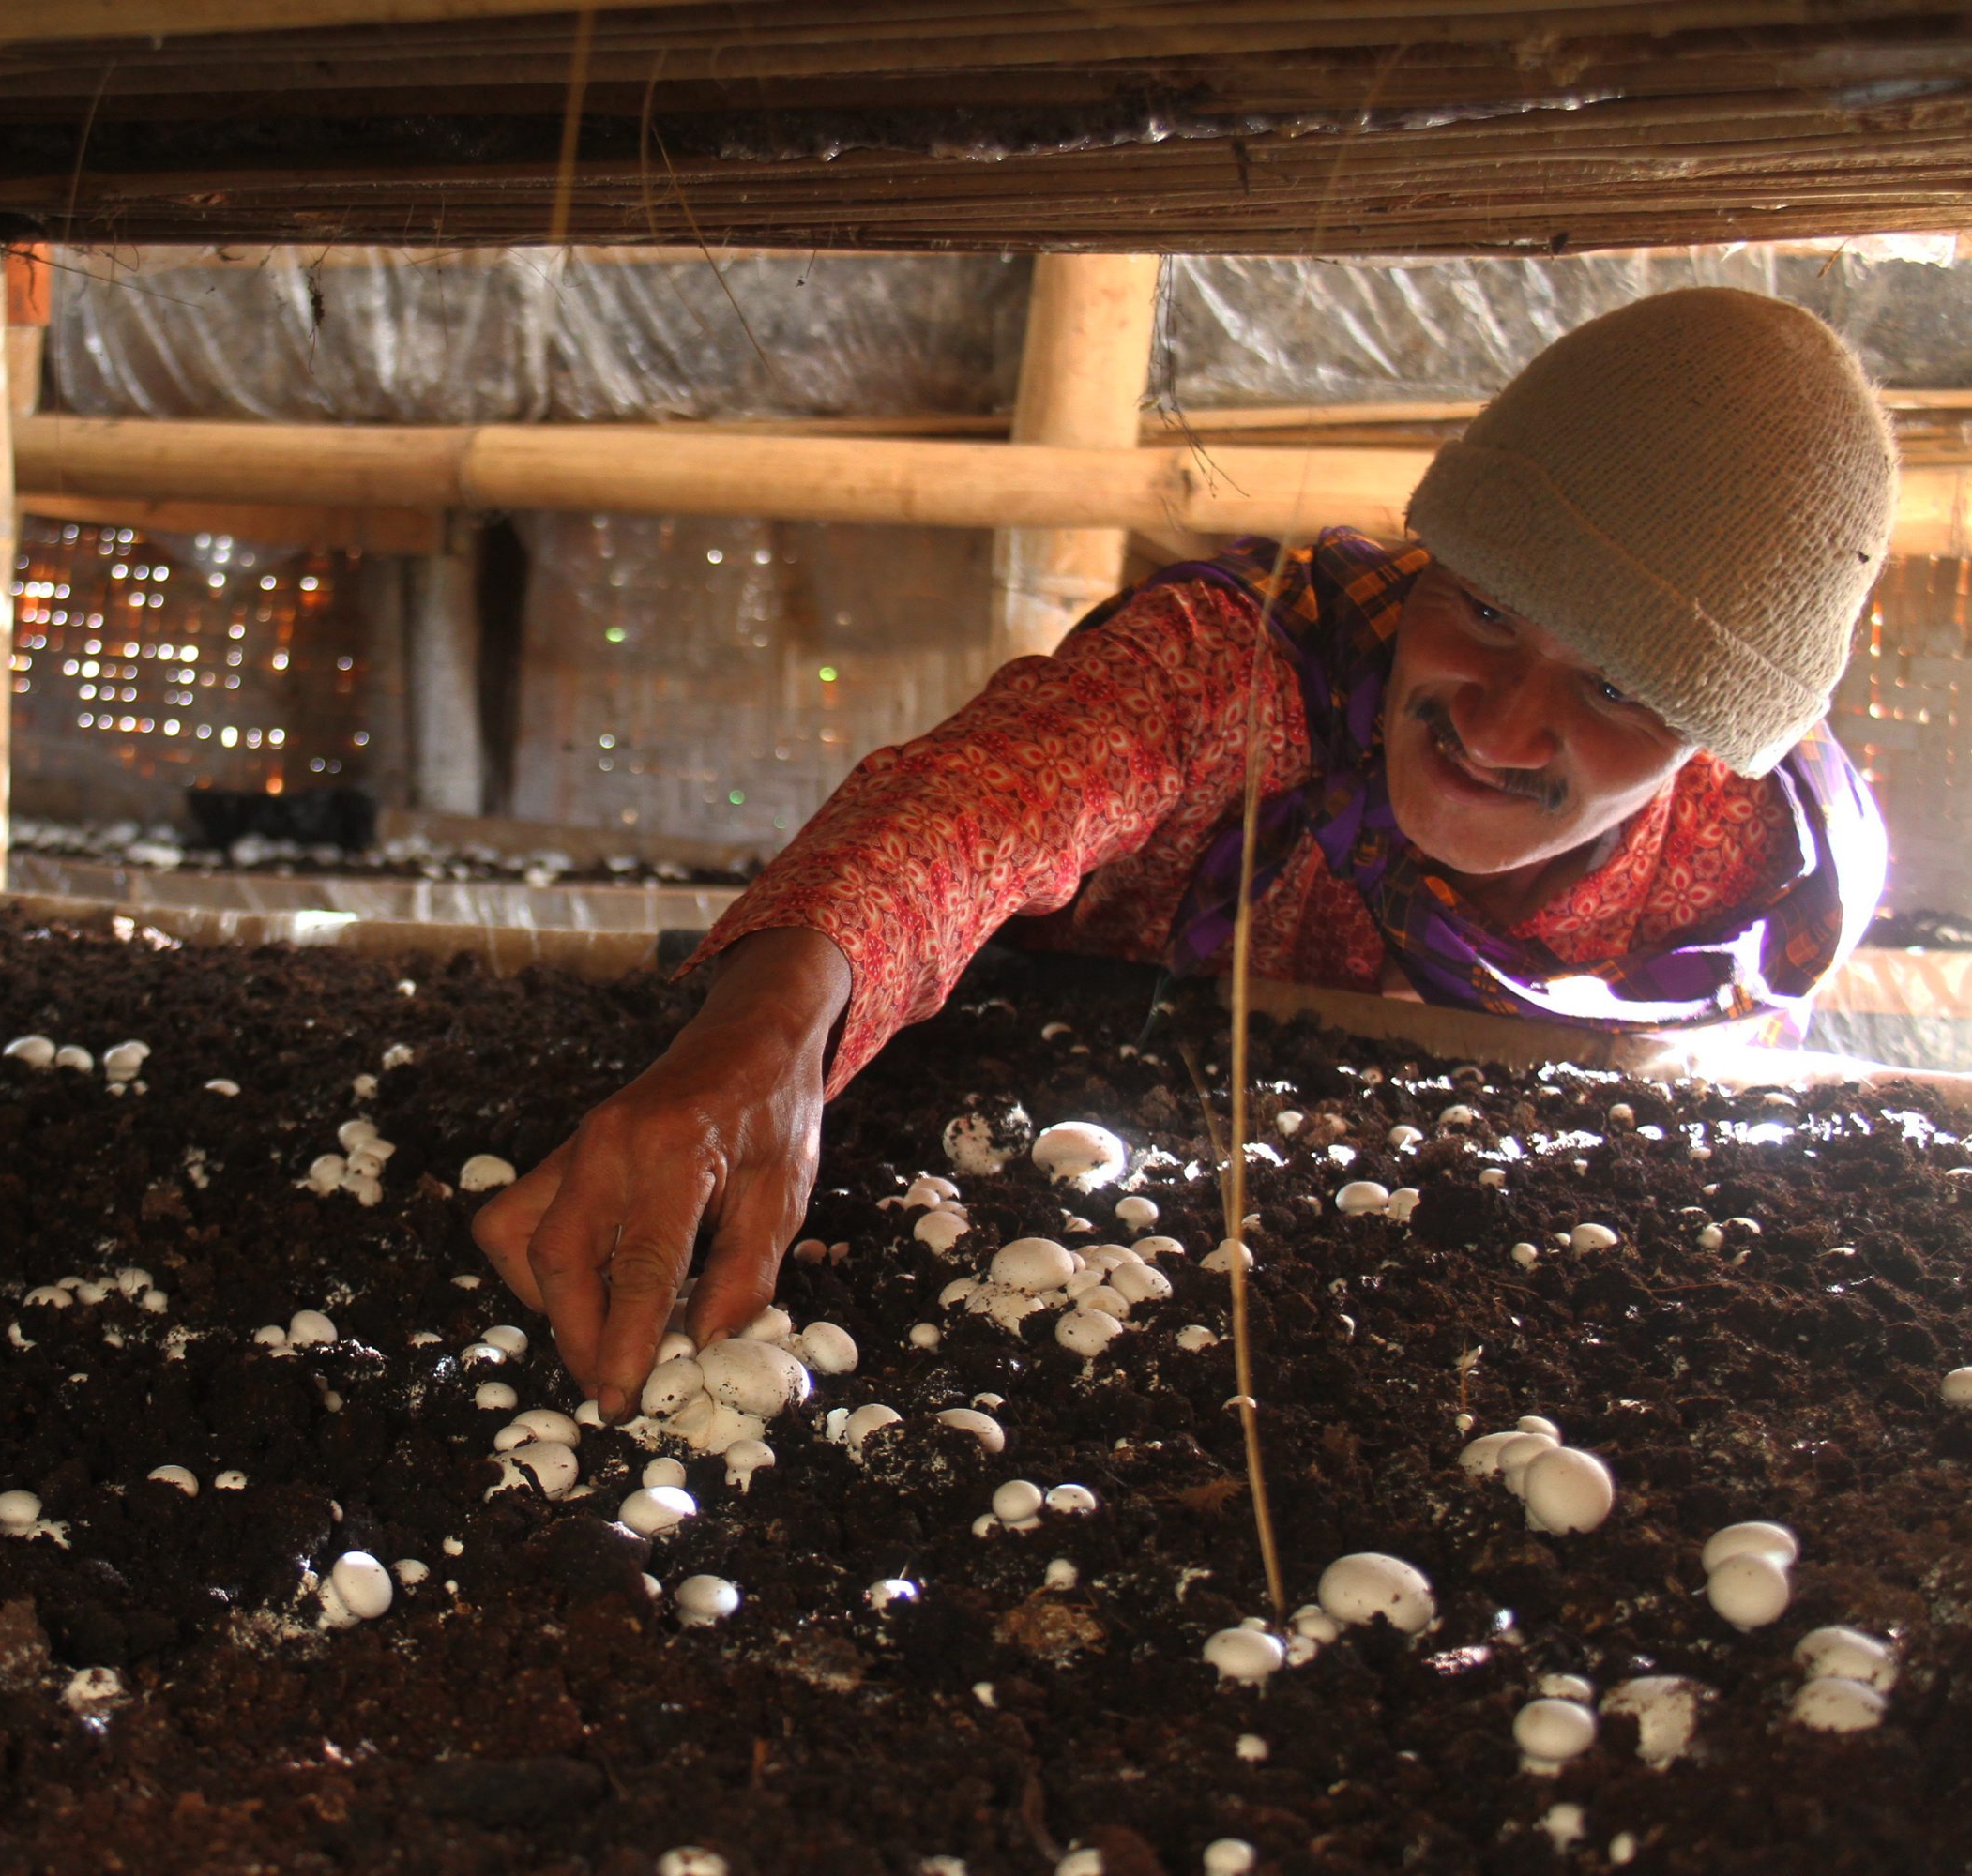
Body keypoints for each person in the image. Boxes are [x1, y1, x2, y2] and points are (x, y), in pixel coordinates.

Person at [476, 286, 1900, 1420]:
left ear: (1713, 745)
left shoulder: (1758, 879)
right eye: (1481, 612)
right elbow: (987, 802)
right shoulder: (1252, 667)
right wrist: (773, 1031)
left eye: (1613, 692)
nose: (1503, 725)